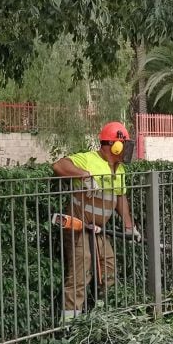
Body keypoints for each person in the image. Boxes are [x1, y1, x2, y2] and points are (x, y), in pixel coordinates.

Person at [51, 121, 140, 321]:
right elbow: (59, 165)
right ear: (114, 145)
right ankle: (70, 326)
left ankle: (103, 316)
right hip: (79, 228)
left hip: (99, 230)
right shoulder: (88, 160)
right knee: (80, 273)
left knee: (108, 266)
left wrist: (129, 226)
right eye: (123, 144)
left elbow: (120, 198)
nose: (127, 149)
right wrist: (84, 175)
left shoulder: (119, 170)